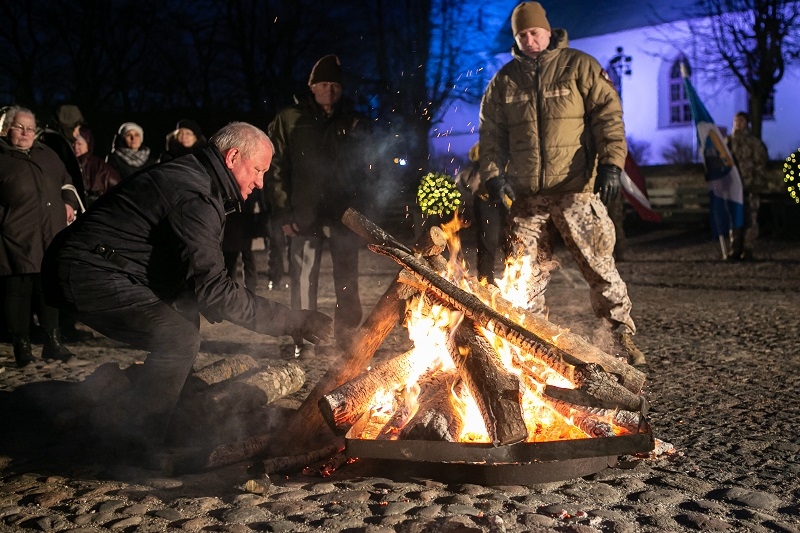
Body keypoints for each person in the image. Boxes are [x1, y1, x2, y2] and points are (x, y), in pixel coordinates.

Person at [42, 122, 333, 458]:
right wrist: (293, 321)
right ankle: (140, 445)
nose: (260, 182)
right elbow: (215, 290)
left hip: (98, 265)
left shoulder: (197, 178)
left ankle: (148, 407)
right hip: (86, 271)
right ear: (233, 156)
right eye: (257, 170)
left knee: (182, 319)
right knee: (177, 336)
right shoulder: (195, 195)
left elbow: (190, 277)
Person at [478, 1, 645, 365]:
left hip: (575, 189)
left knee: (599, 264)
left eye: (534, 32)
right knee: (521, 272)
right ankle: (531, 342)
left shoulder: (580, 67)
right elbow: (490, 134)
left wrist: (612, 164)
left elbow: (609, 117)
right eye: (522, 35)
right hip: (528, 195)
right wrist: (493, 175)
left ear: (548, 31)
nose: (529, 40)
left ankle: (620, 337)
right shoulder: (504, 81)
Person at [267, 54, 374, 355]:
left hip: (344, 215)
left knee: (347, 278)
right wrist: (283, 212)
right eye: (323, 84)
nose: (329, 90)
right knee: (302, 279)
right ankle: (302, 335)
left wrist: (363, 213)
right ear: (311, 86)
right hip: (304, 213)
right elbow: (275, 168)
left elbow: (367, 169)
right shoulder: (290, 119)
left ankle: (347, 333)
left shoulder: (353, 120)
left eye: (335, 85)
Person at [0, 106, 78, 367]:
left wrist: (68, 202)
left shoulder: (47, 154)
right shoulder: (2, 157)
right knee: (18, 292)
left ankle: (52, 343)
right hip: (15, 237)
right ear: (5, 128)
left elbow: (67, 181)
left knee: (49, 290)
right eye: (19, 127)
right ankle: (21, 346)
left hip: (49, 233)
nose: (25, 132)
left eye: (30, 128)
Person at [455, 142, 507, 285]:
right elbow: (474, 155)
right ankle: (486, 281)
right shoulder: (487, 141)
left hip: (511, 198)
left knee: (513, 240)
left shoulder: (516, 139)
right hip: (487, 198)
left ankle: (515, 277)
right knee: (488, 241)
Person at [727, 111, 769, 261]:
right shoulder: (727, 143)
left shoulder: (754, 143)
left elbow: (760, 165)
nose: (738, 123)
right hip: (733, 188)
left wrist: (757, 184)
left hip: (750, 187)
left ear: (746, 123)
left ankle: (748, 250)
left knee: (750, 220)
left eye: (741, 120)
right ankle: (734, 249)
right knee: (735, 220)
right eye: (736, 120)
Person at [222, 189, 263, 292]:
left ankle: (245, 288)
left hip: (242, 220)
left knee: (241, 256)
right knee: (237, 256)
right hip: (241, 220)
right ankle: (238, 288)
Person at [73, 126, 121, 207]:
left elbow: (119, 190)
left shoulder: (101, 167)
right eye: (73, 143)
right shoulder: (65, 164)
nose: (75, 147)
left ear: (88, 145)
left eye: (79, 144)